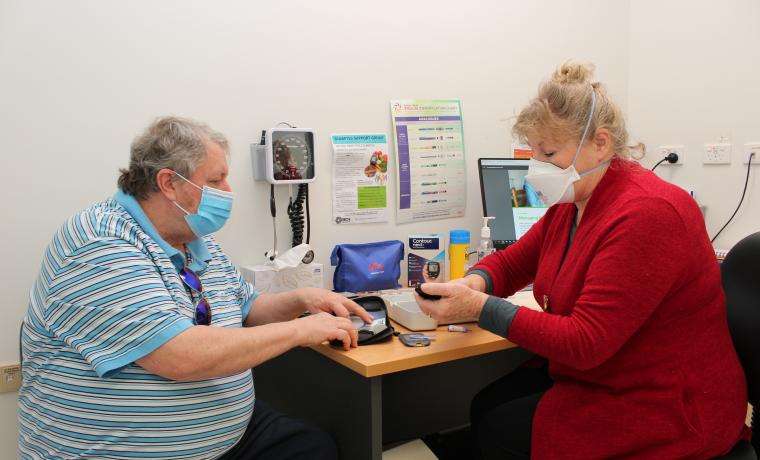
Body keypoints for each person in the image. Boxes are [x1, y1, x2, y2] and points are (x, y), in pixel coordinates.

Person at [415, 62, 748, 459]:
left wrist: (480, 308)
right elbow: (514, 263)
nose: (535, 167)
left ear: (601, 143)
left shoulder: (648, 213)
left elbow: (585, 342)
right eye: (533, 152)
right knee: (486, 406)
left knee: (500, 427)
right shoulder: (576, 198)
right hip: (610, 371)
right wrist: (473, 283)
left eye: (549, 153)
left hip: (669, 404)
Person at [18, 116, 372, 459]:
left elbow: (247, 308)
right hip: (115, 451)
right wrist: (298, 330)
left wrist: (302, 299)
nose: (228, 192)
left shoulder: (191, 236)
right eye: (216, 180)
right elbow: (180, 356)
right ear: (169, 183)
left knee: (312, 447)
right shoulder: (100, 243)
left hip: (229, 436)